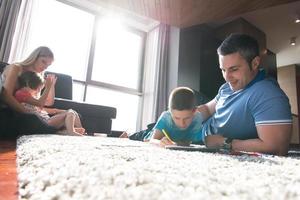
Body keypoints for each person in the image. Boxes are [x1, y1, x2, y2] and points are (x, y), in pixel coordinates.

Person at [198, 33, 292, 156]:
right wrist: (185, 118)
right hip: (195, 130)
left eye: (234, 69)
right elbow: (207, 109)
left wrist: (223, 143)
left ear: (255, 63)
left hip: (204, 142)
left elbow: (277, 147)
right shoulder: (226, 87)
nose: (227, 77)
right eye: (223, 70)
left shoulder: (267, 93)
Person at [0, 46, 58, 138]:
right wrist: (26, 112)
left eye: (48, 65)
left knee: (36, 119)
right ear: (35, 57)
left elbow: (44, 103)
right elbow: (6, 95)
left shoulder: (36, 77)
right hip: (6, 110)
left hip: (21, 113)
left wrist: (51, 87)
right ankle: (58, 131)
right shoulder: (16, 67)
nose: (45, 67)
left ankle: (56, 130)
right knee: (33, 119)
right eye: (43, 62)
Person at [121, 87, 204, 147]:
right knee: (138, 136)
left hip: (172, 136)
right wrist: (159, 142)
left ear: (194, 111)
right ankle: (128, 134)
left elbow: (195, 141)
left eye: (186, 118)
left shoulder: (198, 118)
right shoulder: (166, 117)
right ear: (170, 112)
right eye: (177, 118)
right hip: (149, 135)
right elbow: (152, 140)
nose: (182, 124)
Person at [15, 71, 85, 136]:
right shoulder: (21, 94)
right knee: (70, 113)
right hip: (43, 122)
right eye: (38, 88)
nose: (38, 91)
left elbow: (49, 102)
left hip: (45, 121)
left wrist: (51, 86)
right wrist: (47, 87)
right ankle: (71, 132)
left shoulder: (32, 96)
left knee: (72, 113)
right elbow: (40, 103)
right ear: (32, 84)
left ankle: (71, 131)